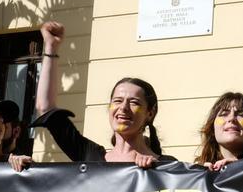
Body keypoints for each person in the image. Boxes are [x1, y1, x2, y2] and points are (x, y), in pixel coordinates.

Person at [32, 21, 170, 166]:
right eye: (117, 101)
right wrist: (51, 46)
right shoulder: (90, 156)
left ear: (150, 113)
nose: (123, 108)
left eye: (134, 102)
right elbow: (46, 109)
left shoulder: (166, 166)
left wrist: (157, 172)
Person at [194, 92, 243, 170]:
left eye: (241, 114)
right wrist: (202, 176)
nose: (232, 118)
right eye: (224, 114)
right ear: (212, 128)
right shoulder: (195, 172)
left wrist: (242, 170)